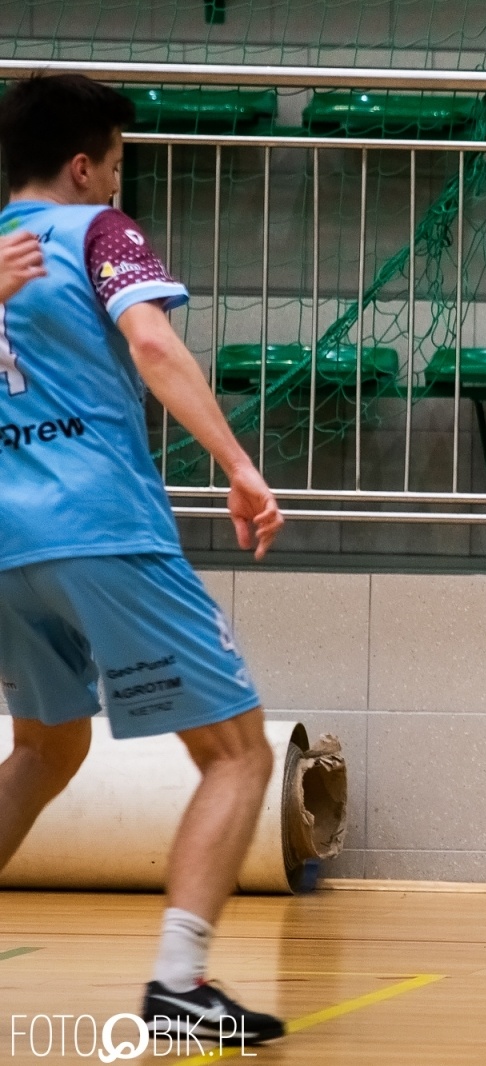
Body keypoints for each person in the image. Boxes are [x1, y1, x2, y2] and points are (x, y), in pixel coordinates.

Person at [0, 75, 286, 1044]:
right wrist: (240, 467)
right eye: (116, 164)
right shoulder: (96, 232)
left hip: (8, 543)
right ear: (85, 166)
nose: (118, 183)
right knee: (239, 753)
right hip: (102, 527)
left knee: (47, 746)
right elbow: (154, 345)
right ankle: (179, 984)